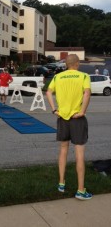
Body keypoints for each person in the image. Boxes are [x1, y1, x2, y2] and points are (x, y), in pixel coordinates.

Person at [46, 54, 92, 200]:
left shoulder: (58, 77)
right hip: (77, 118)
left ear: (66, 64)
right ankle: (80, 190)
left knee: (63, 150)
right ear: (77, 64)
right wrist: (82, 111)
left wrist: (54, 109)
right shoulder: (84, 76)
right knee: (79, 154)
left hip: (63, 117)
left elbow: (48, 92)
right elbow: (87, 93)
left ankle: (61, 183)